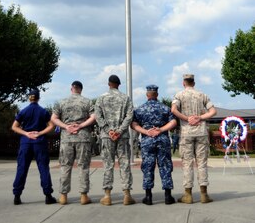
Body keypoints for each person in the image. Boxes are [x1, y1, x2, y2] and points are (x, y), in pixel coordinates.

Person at [171, 74, 217, 204]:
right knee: (202, 163)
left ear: (183, 83)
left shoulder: (179, 95)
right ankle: (204, 194)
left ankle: (188, 195)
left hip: (187, 132)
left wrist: (186, 119)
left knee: (187, 163)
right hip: (201, 131)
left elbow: (173, 109)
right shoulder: (202, 95)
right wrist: (199, 118)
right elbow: (213, 111)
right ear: (194, 83)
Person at [51, 80, 95, 205]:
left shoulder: (61, 102)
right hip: (83, 138)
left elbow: (53, 118)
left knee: (65, 166)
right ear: (81, 89)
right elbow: (93, 117)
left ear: (72, 89)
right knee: (84, 166)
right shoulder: (87, 101)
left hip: (67, 138)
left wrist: (66, 126)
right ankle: (83, 195)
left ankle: (63, 196)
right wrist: (80, 125)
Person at [131, 84, 177, 205]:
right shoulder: (165, 108)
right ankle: (168, 196)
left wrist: (146, 131)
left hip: (147, 140)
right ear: (157, 94)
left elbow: (134, 125)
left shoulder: (139, 109)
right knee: (165, 166)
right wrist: (161, 130)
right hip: (162, 139)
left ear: (147, 95)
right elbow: (173, 122)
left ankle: (148, 196)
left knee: (147, 166)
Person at [94, 74, 135, 206]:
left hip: (107, 137)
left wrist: (108, 130)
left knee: (108, 165)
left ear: (109, 84)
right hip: (122, 136)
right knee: (124, 164)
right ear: (119, 84)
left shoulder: (101, 98)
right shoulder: (125, 98)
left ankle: (107, 196)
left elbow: (98, 116)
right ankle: (127, 195)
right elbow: (129, 116)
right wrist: (119, 131)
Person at [12, 88, 56, 205]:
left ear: (29, 98)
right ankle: (48, 195)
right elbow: (51, 125)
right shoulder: (43, 111)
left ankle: (17, 196)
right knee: (43, 168)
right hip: (39, 141)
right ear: (38, 98)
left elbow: (14, 127)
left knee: (22, 168)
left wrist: (26, 133)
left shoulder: (23, 111)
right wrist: (40, 133)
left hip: (26, 142)